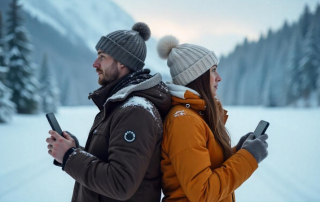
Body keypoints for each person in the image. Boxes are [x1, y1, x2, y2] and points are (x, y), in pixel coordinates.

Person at [45, 22, 171, 202]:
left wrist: (69, 157)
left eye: (102, 57)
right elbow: (109, 162)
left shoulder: (136, 112)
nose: (95, 64)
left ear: (122, 62)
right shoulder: (122, 105)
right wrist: (73, 149)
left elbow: (120, 183)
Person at [157, 35, 269, 202]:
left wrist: (239, 151)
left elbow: (205, 167)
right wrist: (248, 158)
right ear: (196, 76)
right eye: (213, 70)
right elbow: (203, 192)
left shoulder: (194, 115)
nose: (219, 77)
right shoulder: (183, 121)